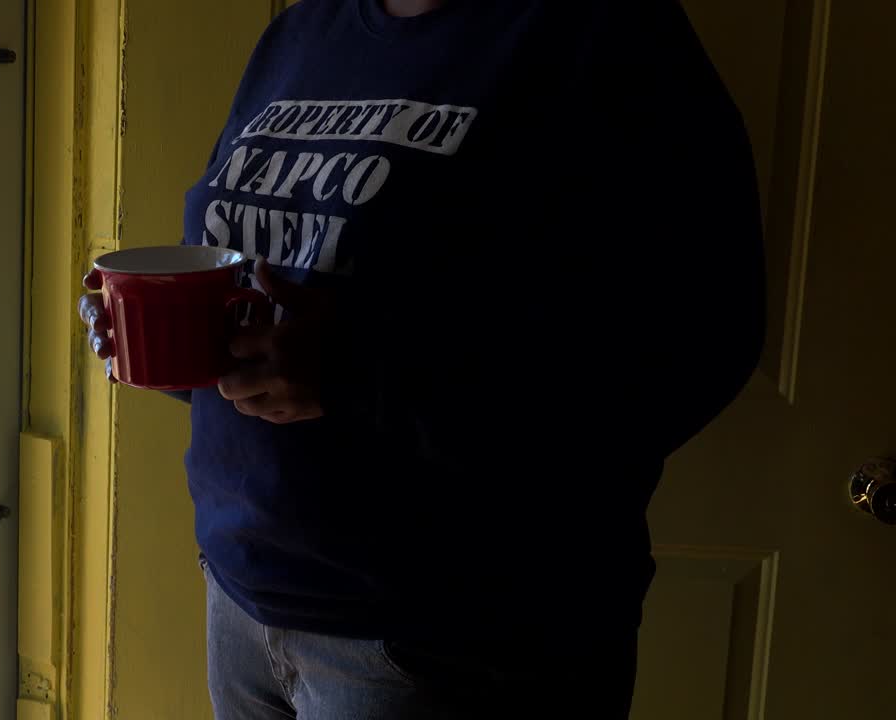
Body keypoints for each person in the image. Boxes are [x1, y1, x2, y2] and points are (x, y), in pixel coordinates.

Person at [79, 0, 766, 717]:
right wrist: (165, 338)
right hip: (246, 598)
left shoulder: (606, 34)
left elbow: (697, 342)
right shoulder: (304, 31)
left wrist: (363, 374)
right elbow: (279, 289)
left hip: (453, 638)